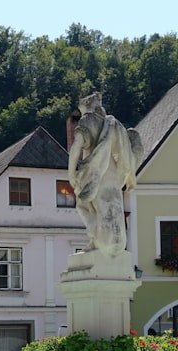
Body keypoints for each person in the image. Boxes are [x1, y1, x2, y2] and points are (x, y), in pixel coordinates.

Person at [68, 92, 143, 259]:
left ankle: (96, 240)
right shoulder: (114, 124)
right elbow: (126, 151)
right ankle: (105, 244)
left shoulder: (88, 121)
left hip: (96, 174)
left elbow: (77, 146)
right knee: (110, 210)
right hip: (113, 176)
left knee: (84, 205)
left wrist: (71, 172)